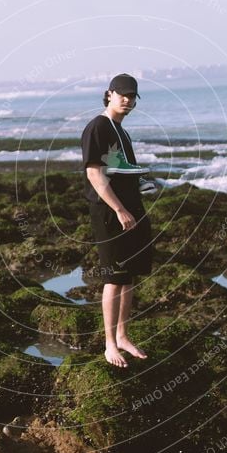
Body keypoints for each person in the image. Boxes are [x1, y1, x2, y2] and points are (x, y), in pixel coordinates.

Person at [81, 73, 154, 367]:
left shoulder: (120, 130)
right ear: (109, 94)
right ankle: (109, 344)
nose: (127, 99)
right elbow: (94, 174)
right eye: (122, 94)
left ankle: (123, 336)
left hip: (131, 208)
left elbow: (120, 168)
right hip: (110, 212)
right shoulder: (98, 126)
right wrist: (119, 210)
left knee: (129, 275)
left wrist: (142, 185)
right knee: (113, 277)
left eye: (132, 96)